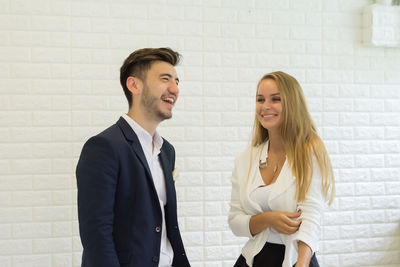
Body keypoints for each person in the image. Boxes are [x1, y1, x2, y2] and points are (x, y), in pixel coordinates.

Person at [76, 48, 190, 267]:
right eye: (165, 79)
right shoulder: (103, 147)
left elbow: (164, 225)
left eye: (177, 81)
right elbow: (97, 237)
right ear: (134, 85)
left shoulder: (167, 151)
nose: (174, 89)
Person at [228, 71, 335, 267]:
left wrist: (301, 264)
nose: (265, 106)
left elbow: (311, 217)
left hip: (297, 260)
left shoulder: (310, 151)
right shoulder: (245, 159)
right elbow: (235, 222)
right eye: (260, 99)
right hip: (253, 259)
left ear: (292, 104)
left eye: (276, 99)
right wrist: (268, 219)